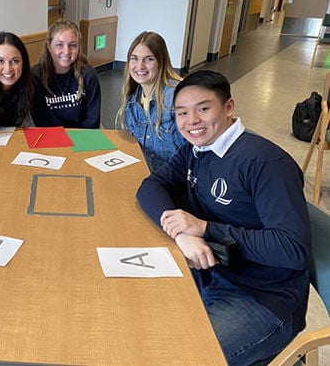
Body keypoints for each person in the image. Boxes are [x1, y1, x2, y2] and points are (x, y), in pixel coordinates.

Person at [136, 70, 311, 366]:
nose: (191, 121)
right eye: (182, 113)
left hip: (261, 298)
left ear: (228, 107)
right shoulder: (196, 149)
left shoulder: (266, 164)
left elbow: (292, 249)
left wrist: (206, 228)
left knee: (168, 358)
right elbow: (150, 186)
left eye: (203, 109)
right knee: (132, 320)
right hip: (210, 271)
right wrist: (182, 234)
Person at [116, 31, 186, 171]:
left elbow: (194, 151)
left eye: (149, 59)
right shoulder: (132, 102)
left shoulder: (176, 97)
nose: (140, 66)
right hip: (149, 177)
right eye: (134, 58)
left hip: (176, 182)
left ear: (161, 62)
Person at [32, 19, 101, 128]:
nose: (66, 51)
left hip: (82, 137)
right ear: (49, 46)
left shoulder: (89, 76)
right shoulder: (36, 76)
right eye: (59, 45)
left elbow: (92, 120)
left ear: (78, 48)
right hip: (50, 137)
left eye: (72, 45)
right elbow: (38, 119)